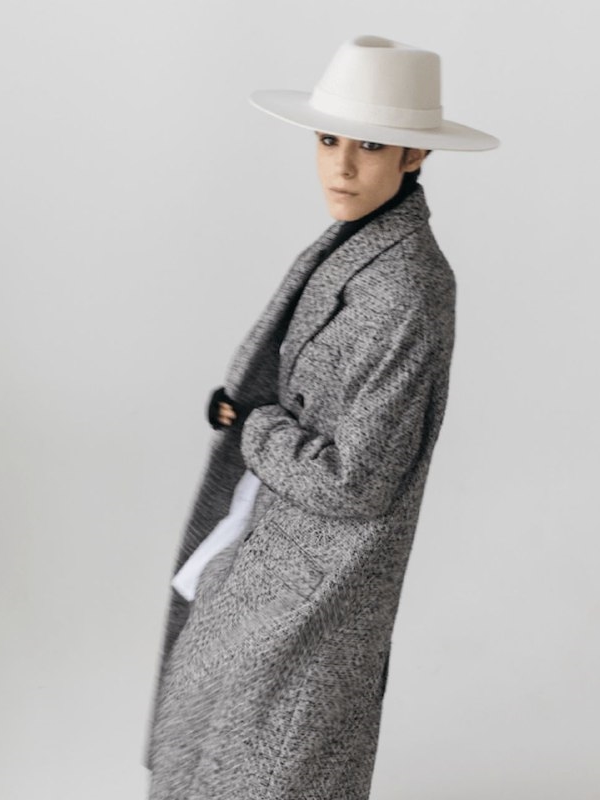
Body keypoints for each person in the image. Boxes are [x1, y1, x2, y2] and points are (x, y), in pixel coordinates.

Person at [144, 34, 499, 800]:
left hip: (317, 589)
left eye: (369, 145)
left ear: (414, 155)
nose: (341, 166)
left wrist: (254, 425)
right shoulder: (357, 240)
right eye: (329, 140)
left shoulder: (407, 286)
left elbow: (358, 483)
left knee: (270, 769)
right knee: (208, 753)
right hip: (266, 554)